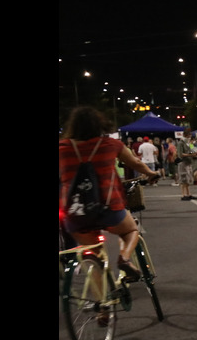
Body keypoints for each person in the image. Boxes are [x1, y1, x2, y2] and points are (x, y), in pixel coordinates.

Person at [59, 106, 160, 279]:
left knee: (93, 256)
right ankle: (125, 259)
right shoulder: (110, 145)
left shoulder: (62, 147)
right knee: (130, 231)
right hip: (109, 207)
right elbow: (135, 163)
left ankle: (101, 303)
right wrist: (151, 173)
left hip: (75, 212)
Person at [175, 128, 197, 200]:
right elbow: (180, 154)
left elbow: (193, 149)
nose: (190, 137)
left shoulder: (189, 143)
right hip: (183, 162)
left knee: (188, 179)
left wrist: (196, 152)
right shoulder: (181, 143)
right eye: (189, 135)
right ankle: (183, 195)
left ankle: (188, 194)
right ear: (185, 135)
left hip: (188, 162)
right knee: (183, 178)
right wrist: (190, 155)